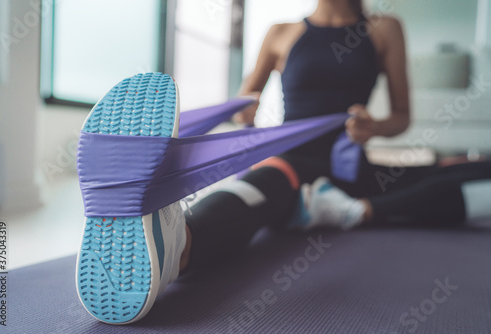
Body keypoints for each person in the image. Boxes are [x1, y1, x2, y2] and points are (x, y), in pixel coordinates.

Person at [76, 0, 491, 324]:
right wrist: (245, 110)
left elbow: (402, 117)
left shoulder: (384, 28)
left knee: (465, 169)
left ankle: (350, 210)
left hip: (351, 166)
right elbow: (246, 103)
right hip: (292, 155)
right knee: (264, 186)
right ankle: (180, 246)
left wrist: (374, 126)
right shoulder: (281, 33)